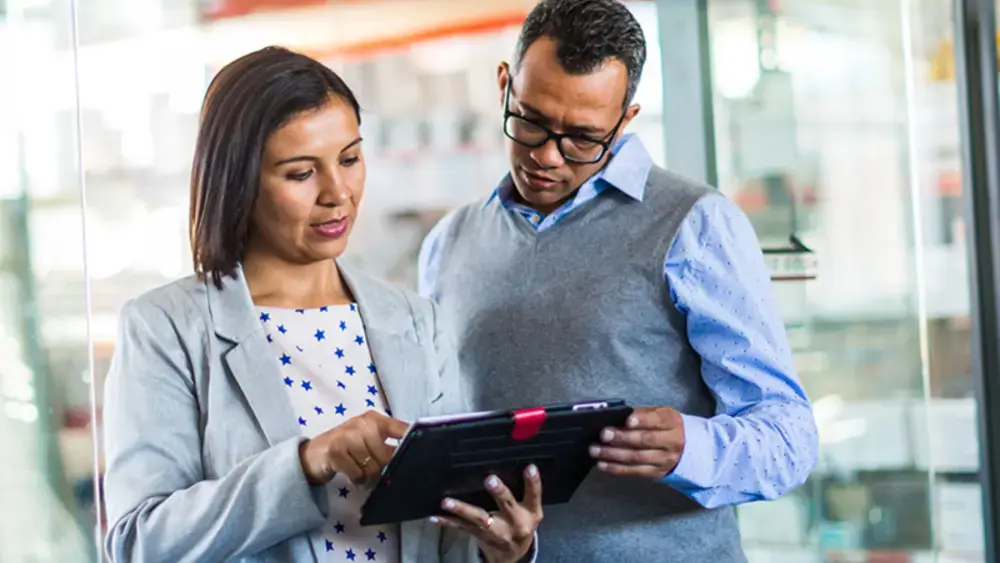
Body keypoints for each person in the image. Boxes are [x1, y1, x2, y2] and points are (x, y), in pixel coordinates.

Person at [102, 46, 541, 563]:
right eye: (300, 173)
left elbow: (447, 536)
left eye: (350, 159)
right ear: (239, 180)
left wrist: (501, 550)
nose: (338, 192)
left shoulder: (416, 321)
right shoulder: (165, 328)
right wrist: (307, 462)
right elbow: (137, 544)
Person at [418, 0, 819, 561]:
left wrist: (692, 449)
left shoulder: (694, 224)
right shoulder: (448, 243)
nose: (547, 156)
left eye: (583, 138)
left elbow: (790, 437)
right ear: (504, 84)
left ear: (625, 121)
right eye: (530, 120)